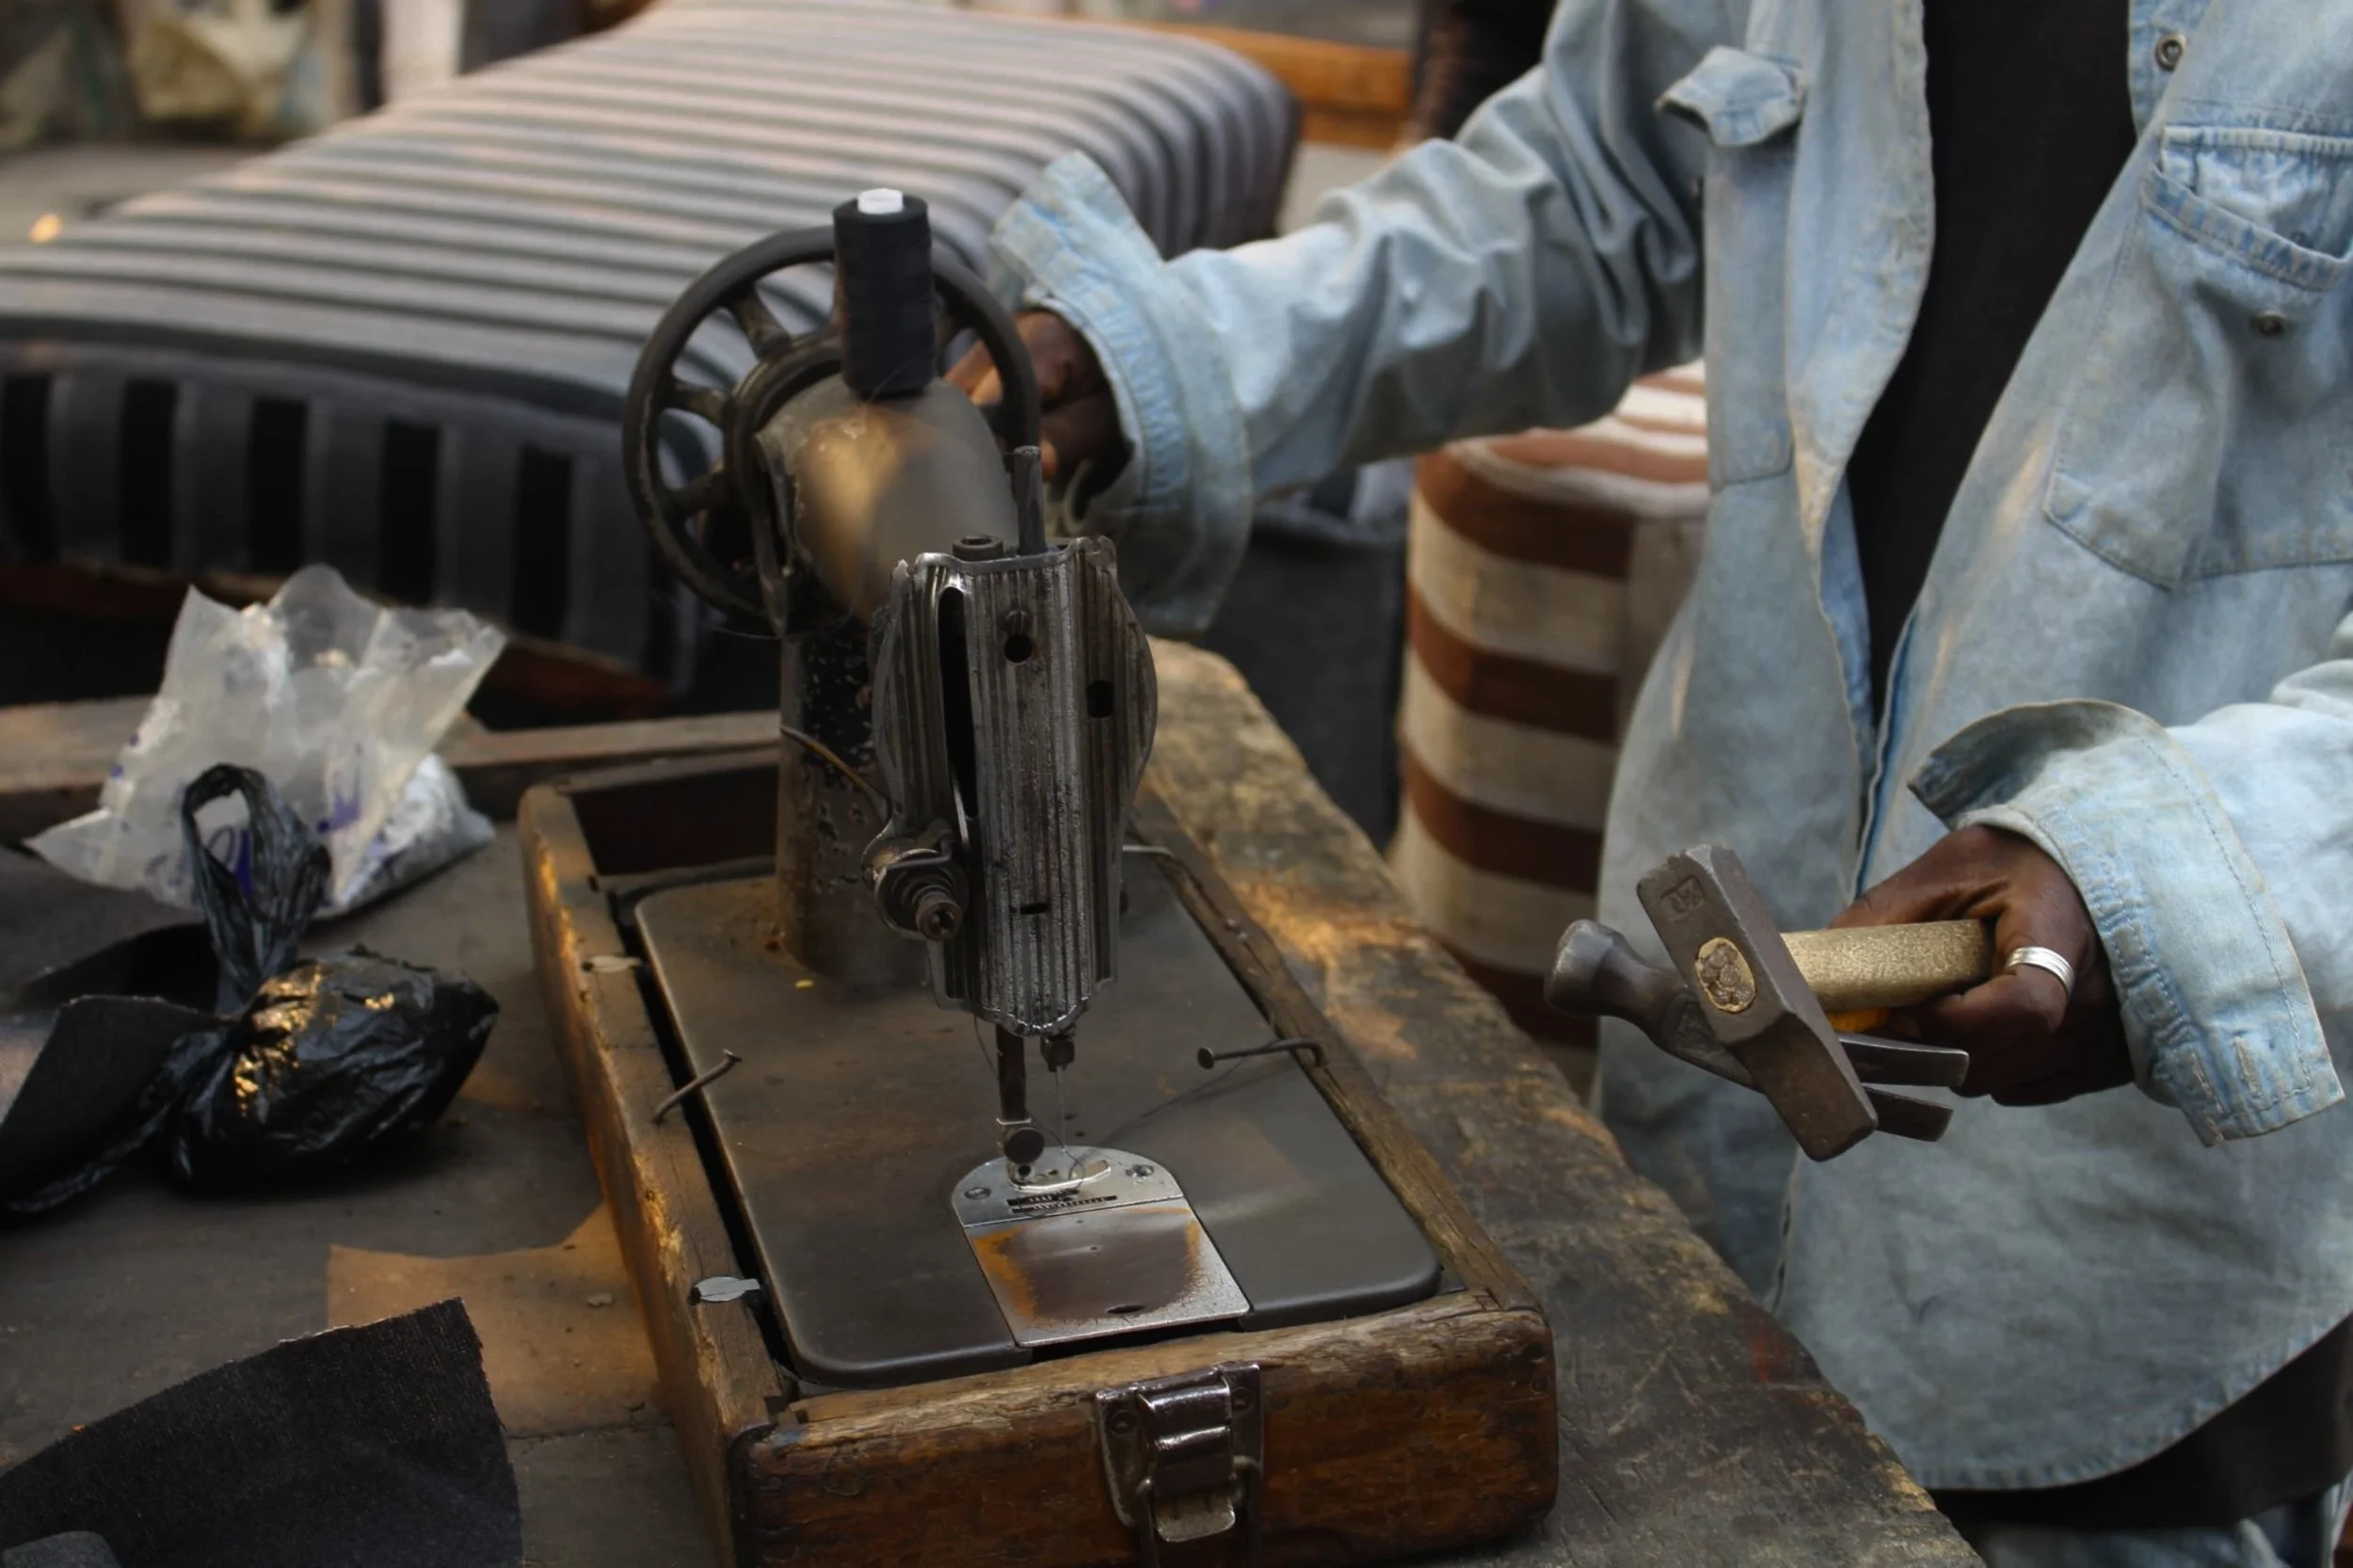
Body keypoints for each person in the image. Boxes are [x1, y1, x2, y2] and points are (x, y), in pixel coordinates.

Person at [951, 1, 2353, 1562]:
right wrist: (1175, 356)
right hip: (1710, 1198)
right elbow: (1601, 182)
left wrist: (2154, 875)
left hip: (2116, 1335)